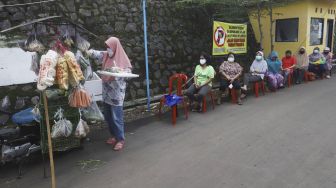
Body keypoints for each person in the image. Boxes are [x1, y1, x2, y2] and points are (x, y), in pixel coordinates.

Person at [87, 37, 132, 151]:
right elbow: (96, 54)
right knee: (108, 116)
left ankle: (120, 139)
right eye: (107, 47)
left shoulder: (123, 58)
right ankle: (113, 135)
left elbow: (128, 73)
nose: (108, 49)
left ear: (115, 47)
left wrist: (119, 72)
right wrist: (86, 51)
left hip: (116, 94)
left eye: (110, 47)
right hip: (106, 93)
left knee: (117, 117)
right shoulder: (106, 55)